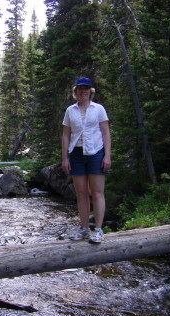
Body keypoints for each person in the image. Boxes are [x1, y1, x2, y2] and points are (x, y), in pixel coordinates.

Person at [61, 77, 111, 243]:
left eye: (86, 89)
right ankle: (84, 228)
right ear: (75, 92)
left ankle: (98, 229)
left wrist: (107, 155)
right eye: (80, 89)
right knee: (81, 194)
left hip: (96, 152)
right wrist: (65, 158)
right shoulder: (70, 110)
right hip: (76, 154)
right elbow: (66, 135)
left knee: (97, 192)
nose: (83, 92)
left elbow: (105, 133)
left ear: (91, 91)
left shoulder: (99, 109)